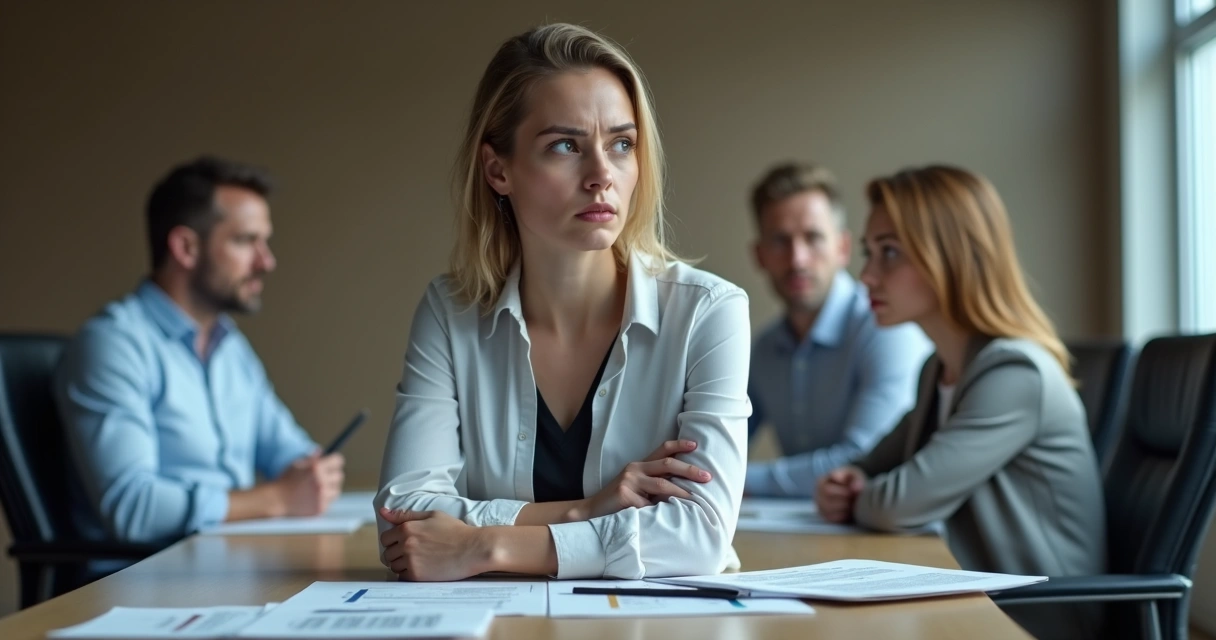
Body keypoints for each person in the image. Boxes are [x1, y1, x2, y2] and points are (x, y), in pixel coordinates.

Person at [374, 23, 751, 582]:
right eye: (565, 146)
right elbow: (405, 518)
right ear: (498, 170)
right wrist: (586, 510)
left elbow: (699, 536)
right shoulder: (450, 311)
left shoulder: (709, 312)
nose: (602, 175)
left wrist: (484, 547)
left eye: (622, 144)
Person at [815, 165, 1106, 639]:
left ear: (952, 256)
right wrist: (853, 482)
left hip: (1037, 618)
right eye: (870, 252)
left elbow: (896, 504)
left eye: (889, 253)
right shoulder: (940, 369)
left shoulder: (1015, 373)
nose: (866, 275)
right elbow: (871, 465)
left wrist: (859, 496)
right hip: (979, 600)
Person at [55, 156, 345, 546]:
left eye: (265, 241)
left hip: (227, 559)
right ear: (186, 247)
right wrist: (275, 498)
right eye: (246, 241)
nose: (267, 261)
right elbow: (133, 507)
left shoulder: (230, 346)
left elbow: (287, 449)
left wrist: (313, 472)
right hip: (147, 581)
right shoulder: (113, 344)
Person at [744, 162, 930, 497]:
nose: (798, 259)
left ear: (842, 248)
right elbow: (720, 447)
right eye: (780, 241)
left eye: (813, 238)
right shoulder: (763, 349)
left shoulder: (885, 328)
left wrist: (734, 480)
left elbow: (863, 460)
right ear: (759, 255)